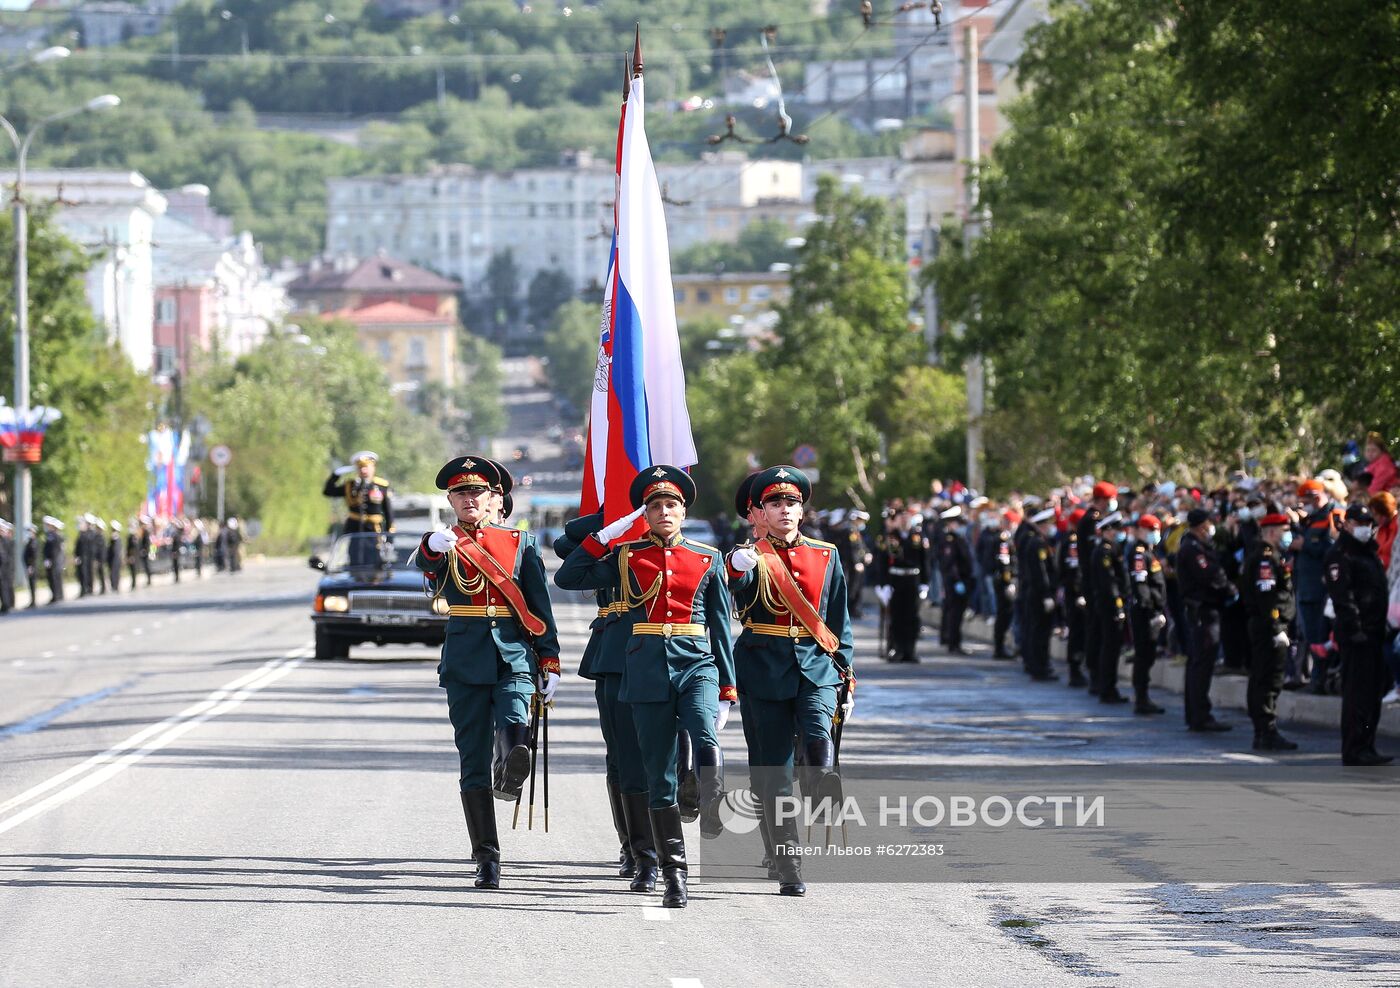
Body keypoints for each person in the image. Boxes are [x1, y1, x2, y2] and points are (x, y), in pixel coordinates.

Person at [556, 465, 737, 909]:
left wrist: (728, 688)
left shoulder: (707, 557)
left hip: (696, 663)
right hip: (645, 670)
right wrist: (603, 535)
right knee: (657, 777)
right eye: (654, 506)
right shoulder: (625, 556)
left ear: (683, 510)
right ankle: (675, 873)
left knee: (702, 731)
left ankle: (710, 791)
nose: (664, 512)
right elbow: (568, 577)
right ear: (646, 514)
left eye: (671, 504)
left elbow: (720, 625)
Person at [417, 455, 562, 890]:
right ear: (450, 499)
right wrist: (432, 549)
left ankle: (511, 763)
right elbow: (428, 571)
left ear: (494, 497)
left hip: (513, 653)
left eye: (477, 492)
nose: (469, 499)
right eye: (461, 493)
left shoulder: (521, 543)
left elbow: (539, 605)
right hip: (465, 659)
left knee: (517, 719)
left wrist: (550, 659)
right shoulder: (445, 542)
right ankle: (487, 856)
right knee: (471, 761)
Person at [726, 465, 856, 897]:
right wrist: (737, 567)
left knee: (819, 730)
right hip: (763, 668)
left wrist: (846, 677)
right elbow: (734, 589)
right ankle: (788, 861)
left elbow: (839, 621)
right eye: (775, 503)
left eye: (792, 502)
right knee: (773, 774)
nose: (785, 509)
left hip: (816, 665)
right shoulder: (749, 556)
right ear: (760, 512)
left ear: (802, 510)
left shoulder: (826, 554)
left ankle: (821, 781)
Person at [553, 512, 658, 893]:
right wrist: (611, 521)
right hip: (615, 653)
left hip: (667, 653)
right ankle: (632, 843)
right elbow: (566, 550)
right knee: (622, 757)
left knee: (666, 753)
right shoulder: (613, 537)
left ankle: (658, 839)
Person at [1323, 504, 1394, 765]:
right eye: (1360, 522)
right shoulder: (1340, 554)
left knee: (1372, 693)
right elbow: (1343, 597)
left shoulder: (1367, 552)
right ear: (1348, 524)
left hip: (1375, 632)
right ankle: (1354, 748)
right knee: (1357, 694)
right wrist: (1356, 629)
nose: (1366, 528)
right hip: (1357, 635)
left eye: (1368, 523)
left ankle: (1367, 744)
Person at [1240, 509, 1299, 750]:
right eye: (1285, 531)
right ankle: (1266, 729)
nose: (1288, 535)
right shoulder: (1266, 558)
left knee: (1263, 678)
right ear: (1272, 532)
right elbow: (1267, 598)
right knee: (1268, 679)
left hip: (1266, 625)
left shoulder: (1268, 555)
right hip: (1269, 627)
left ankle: (1262, 729)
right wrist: (1277, 628)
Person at [1177, 508, 1234, 732]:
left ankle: (1197, 713)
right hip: (1202, 611)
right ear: (1202, 526)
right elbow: (1210, 575)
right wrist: (1229, 588)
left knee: (1199, 663)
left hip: (1203, 611)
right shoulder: (1192, 549)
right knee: (1201, 663)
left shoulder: (1195, 546)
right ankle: (1200, 715)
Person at [872, 507, 929, 663]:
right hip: (895, 580)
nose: (904, 520)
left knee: (912, 618)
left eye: (907, 517)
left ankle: (910, 651)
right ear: (896, 520)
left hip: (912, 580)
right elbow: (882, 563)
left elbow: (924, 561)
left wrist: (925, 583)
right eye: (901, 518)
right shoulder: (889, 537)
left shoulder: (917, 536)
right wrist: (882, 585)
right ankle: (897, 649)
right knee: (897, 617)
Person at [1125, 514, 1168, 714]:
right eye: (1152, 531)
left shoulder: (1150, 552)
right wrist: (1152, 611)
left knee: (1148, 654)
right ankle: (1141, 698)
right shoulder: (1140, 554)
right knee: (1143, 655)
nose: (1156, 535)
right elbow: (1141, 585)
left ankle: (1143, 696)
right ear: (1142, 530)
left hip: (1151, 610)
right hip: (1144, 612)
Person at [1089, 512, 1130, 704]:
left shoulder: (1112, 548)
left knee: (1111, 646)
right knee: (1110, 646)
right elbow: (1109, 582)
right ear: (1106, 530)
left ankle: (1108, 686)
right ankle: (1107, 688)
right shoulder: (1104, 551)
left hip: (1109, 602)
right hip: (1109, 604)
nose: (1118, 533)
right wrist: (1118, 604)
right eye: (1114, 529)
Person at [1018, 508, 1059, 681]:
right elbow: (1041, 572)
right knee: (1039, 631)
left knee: (1039, 630)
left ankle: (1039, 665)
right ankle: (1038, 667)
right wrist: (1046, 594)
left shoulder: (1039, 541)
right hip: (1038, 594)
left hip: (1035, 593)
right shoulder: (1037, 544)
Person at [324, 450, 395, 535]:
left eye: (366, 467)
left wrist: (389, 534)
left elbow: (388, 512)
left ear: (373, 467)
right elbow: (328, 491)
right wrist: (336, 475)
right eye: (360, 467)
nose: (363, 470)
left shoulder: (381, 486)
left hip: (374, 531)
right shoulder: (350, 486)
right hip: (353, 529)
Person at [935, 507, 973, 655]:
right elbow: (950, 563)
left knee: (956, 613)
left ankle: (954, 641)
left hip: (960, 580)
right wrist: (957, 580)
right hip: (955, 581)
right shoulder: (950, 540)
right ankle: (953, 643)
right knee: (954, 613)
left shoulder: (958, 539)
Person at [1058, 508, 1090, 687]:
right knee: (1077, 632)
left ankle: (1077, 668)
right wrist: (1079, 593)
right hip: (1075, 595)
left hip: (1076, 594)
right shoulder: (1073, 542)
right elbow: (1074, 571)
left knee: (1080, 632)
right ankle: (1075, 670)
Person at [990, 514, 1019, 659]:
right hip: (1003, 582)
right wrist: (1009, 583)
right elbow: (1004, 563)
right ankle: (999, 648)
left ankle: (1000, 647)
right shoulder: (1004, 540)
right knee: (1004, 614)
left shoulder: (1006, 538)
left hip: (1004, 581)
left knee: (1006, 614)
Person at [0, 519, 14, 614]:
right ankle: (6, 605)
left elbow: (4, 556)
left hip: (4, 567)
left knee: (4, 586)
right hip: (5, 567)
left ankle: (6, 605)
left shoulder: (4, 540)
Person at [23, 524, 38, 608]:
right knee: (31, 584)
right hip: (30, 566)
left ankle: (33, 601)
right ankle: (32, 601)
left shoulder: (33, 542)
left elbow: (33, 556)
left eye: (30, 531)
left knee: (32, 584)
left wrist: (31, 566)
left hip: (32, 567)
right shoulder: (30, 541)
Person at [106, 521, 124, 592]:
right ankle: (114, 586)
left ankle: (115, 586)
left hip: (115, 560)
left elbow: (115, 551)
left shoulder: (116, 539)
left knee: (115, 573)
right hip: (113, 559)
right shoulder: (114, 539)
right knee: (113, 573)